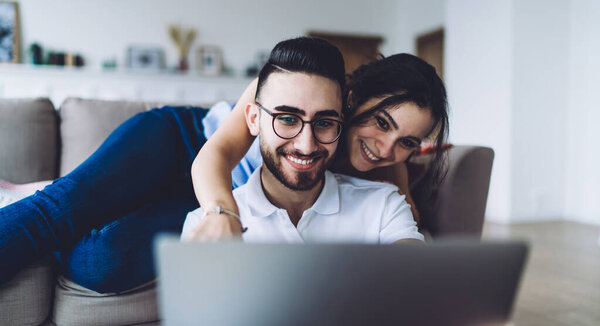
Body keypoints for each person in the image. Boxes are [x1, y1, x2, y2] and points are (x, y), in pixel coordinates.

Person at [189, 53, 448, 241]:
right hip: (194, 138)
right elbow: (216, 155)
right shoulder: (286, 87)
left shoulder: (391, 171)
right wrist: (219, 211)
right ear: (352, 100)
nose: (385, 150)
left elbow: (406, 230)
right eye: (381, 122)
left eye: (406, 142)